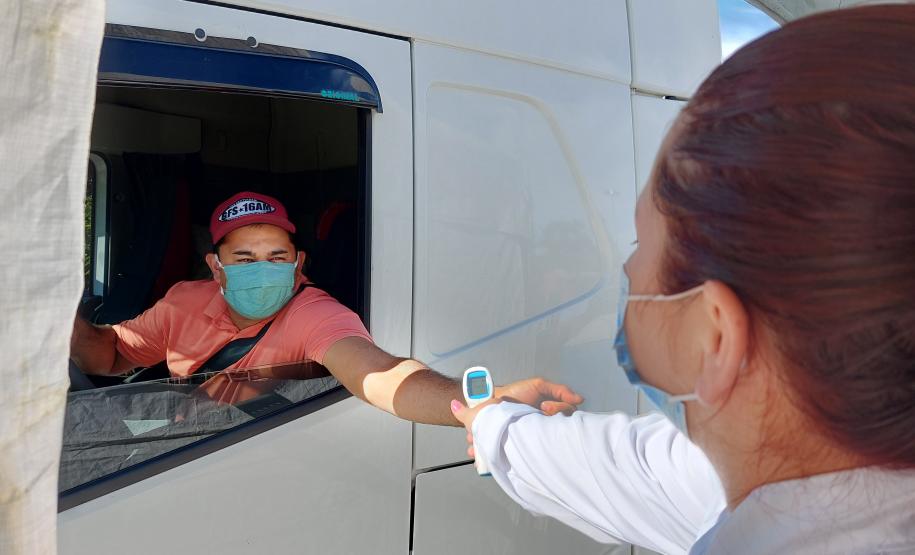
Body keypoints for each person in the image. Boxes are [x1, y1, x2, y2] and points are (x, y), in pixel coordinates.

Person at [451, 6, 915, 554]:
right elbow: (633, 468)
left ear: (715, 337)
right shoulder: (816, 475)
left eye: (642, 242)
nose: (625, 270)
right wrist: (495, 423)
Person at [70, 191, 582, 424]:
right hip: (171, 449)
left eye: (277, 257)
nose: (262, 268)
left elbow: (381, 374)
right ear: (216, 266)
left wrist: (475, 404)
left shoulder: (316, 314)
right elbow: (108, 356)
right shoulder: (185, 300)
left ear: (298, 264)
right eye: (244, 258)